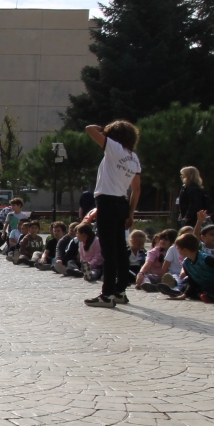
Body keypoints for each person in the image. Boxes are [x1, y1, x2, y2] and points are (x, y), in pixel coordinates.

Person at [82, 120, 141, 308]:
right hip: (122, 203)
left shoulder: (114, 148)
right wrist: (131, 213)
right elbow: (137, 189)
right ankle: (120, 291)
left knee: (108, 251)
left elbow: (89, 129)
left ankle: (106, 295)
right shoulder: (134, 158)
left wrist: (102, 129)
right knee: (120, 250)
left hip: (107, 202)